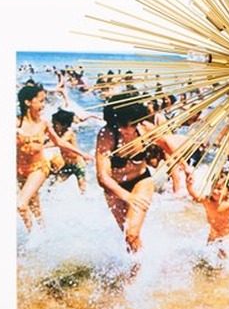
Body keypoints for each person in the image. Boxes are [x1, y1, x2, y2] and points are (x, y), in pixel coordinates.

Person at [94, 92, 163, 256]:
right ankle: (141, 267)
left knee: (132, 233)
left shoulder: (145, 128)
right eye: (121, 125)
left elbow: (168, 144)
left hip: (141, 181)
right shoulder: (107, 135)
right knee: (128, 236)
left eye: (129, 125)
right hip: (114, 188)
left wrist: (185, 168)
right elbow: (102, 177)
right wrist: (127, 196)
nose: (125, 130)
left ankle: (137, 274)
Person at [16, 82, 90, 230]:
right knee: (34, 208)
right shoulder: (15, 123)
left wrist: (82, 153)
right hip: (20, 170)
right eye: (41, 101)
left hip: (39, 168)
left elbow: (59, 142)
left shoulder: (43, 123)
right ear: (28, 102)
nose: (44, 105)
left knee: (21, 204)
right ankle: (39, 235)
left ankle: (32, 236)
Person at [185, 166, 229, 263]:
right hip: (213, 234)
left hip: (227, 234)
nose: (216, 191)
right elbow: (195, 196)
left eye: (220, 189)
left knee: (224, 255)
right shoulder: (207, 201)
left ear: (228, 191)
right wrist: (189, 186)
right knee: (206, 257)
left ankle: (224, 274)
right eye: (214, 188)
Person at [48, 108, 88, 193]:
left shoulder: (69, 133)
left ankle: (86, 199)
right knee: (53, 184)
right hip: (67, 165)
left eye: (55, 124)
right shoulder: (59, 133)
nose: (53, 126)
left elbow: (59, 142)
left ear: (64, 125)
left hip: (78, 164)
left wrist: (43, 146)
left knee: (82, 186)